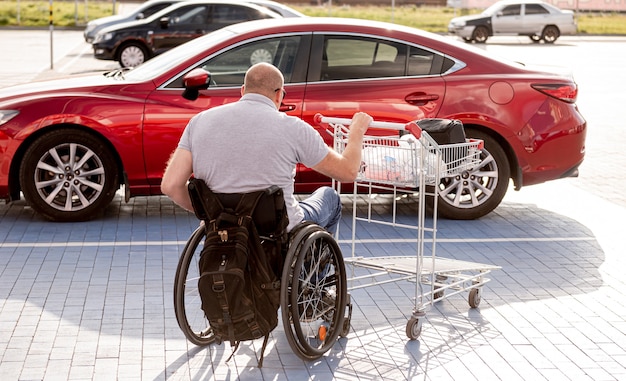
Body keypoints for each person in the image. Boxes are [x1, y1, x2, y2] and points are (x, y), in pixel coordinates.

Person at [161, 62, 373, 233]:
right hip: (278, 228)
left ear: (243, 90)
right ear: (280, 94)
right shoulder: (293, 128)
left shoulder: (199, 121)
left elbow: (170, 185)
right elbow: (348, 171)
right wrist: (356, 133)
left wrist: (210, 214)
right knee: (330, 197)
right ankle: (315, 279)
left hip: (223, 227)